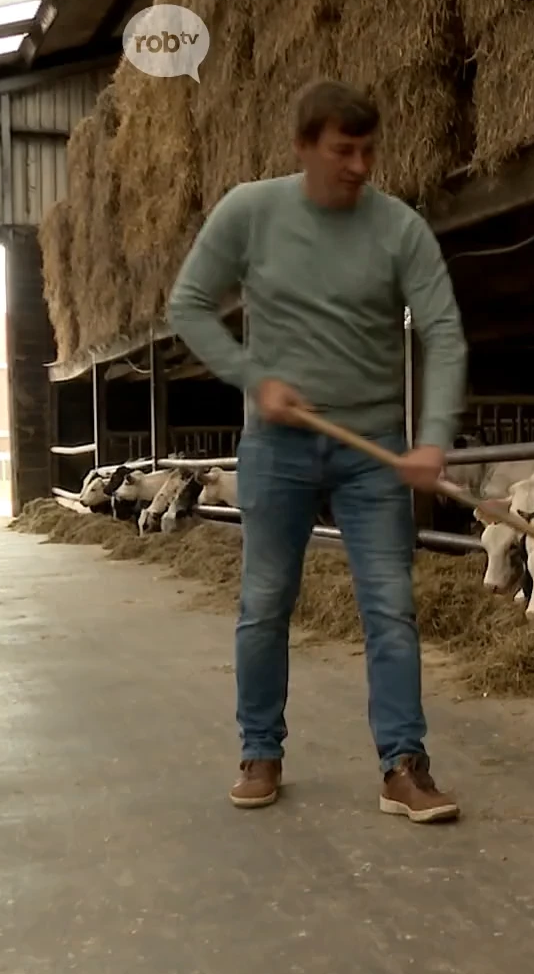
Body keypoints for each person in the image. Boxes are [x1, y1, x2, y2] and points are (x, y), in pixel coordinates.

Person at [168, 79, 469, 823]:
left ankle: (403, 764)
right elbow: (189, 304)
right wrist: (251, 377)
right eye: (344, 150)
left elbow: (444, 332)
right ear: (305, 146)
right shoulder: (250, 211)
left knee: (391, 607)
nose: (360, 165)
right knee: (266, 602)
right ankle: (260, 750)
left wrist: (432, 438)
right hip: (278, 445)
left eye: (369, 150)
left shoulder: (400, 228)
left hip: (371, 448)